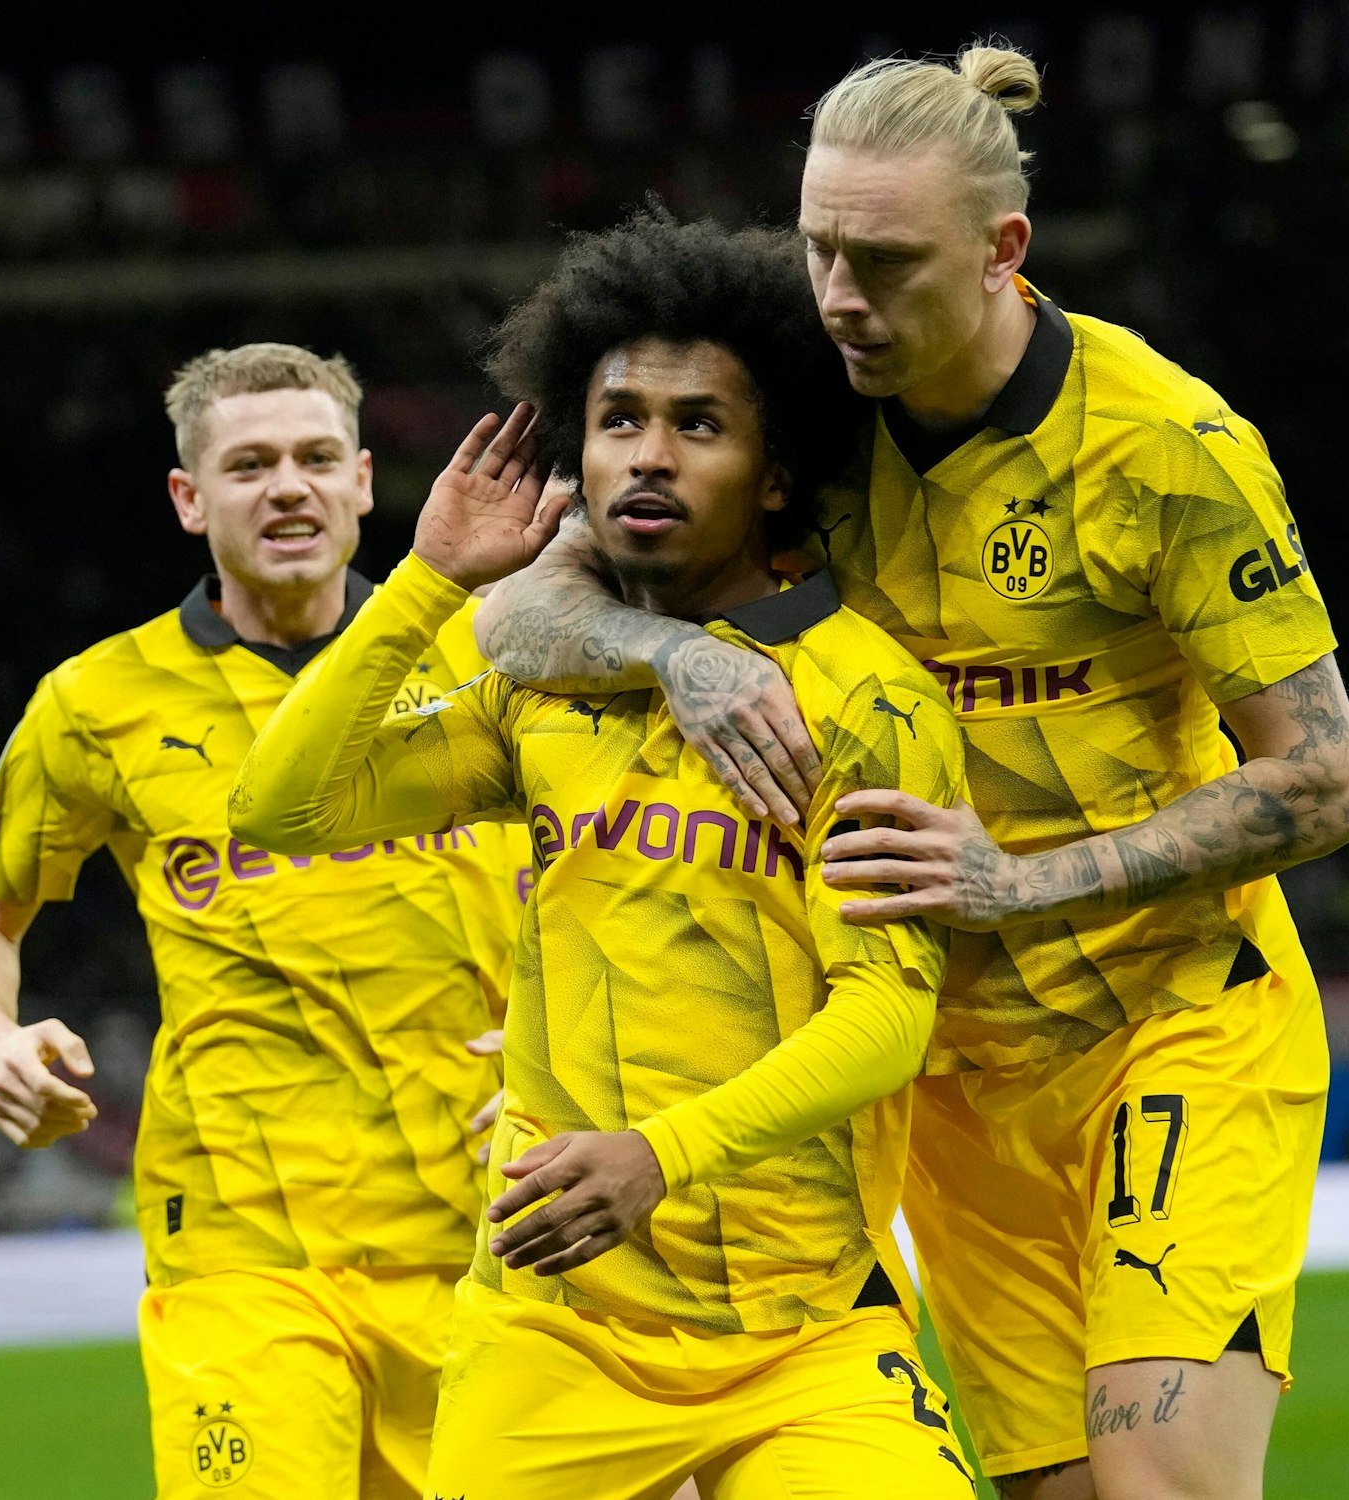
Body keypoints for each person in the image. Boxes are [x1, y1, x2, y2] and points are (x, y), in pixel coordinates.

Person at [473, 44, 1349, 1500]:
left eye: (883, 263)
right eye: (820, 249)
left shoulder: (1167, 450)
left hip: (1175, 1023)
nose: (838, 298)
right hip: (951, 1082)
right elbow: (520, 612)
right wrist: (674, 659)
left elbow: (1327, 782)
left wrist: (1018, 882)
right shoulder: (804, 423)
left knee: (1160, 1486)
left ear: (1004, 250)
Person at [231, 213, 977, 1500]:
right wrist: (424, 581)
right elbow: (283, 811)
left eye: (699, 425)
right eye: (619, 418)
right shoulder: (534, 683)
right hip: (554, 1322)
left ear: (777, 468)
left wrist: (659, 1155)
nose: (648, 453)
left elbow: (886, 1017)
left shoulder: (866, 699)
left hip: (802, 1328)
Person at [0, 344, 532, 1500]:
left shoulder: (496, 659)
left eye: (313, 459)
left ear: (363, 482)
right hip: (241, 1247)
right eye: (248, 465)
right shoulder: (98, 701)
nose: (287, 488)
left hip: (489, 1231)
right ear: (188, 499)